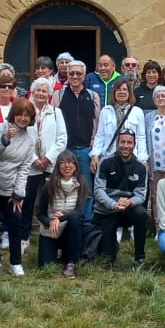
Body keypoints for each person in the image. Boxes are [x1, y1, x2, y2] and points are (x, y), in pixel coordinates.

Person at [0, 98, 36, 276]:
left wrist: (18, 193)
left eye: (27, 115)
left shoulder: (29, 140)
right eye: (20, 114)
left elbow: (24, 168)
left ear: (31, 118)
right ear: (13, 115)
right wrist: (5, 139)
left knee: (15, 224)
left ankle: (15, 262)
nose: (23, 118)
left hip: (10, 189)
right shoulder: (0, 128)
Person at [93, 129, 150, 267]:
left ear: (134, 145)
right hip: (107, 211)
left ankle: (139, 257)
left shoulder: (141, 167)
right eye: (122, 142)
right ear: (117, 143)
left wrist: (129, 202)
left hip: (127, 209)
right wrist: (113, 204)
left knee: (141, 214)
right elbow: (98, 190)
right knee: (107, 260)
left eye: (129, 142)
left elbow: (141, 195)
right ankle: (111, 248)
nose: (125, 146)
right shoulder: (105, 162)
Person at [24, 77, 67, 246]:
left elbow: (62, 138)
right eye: (38, 90)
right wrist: (35, 159)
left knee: (50, 199)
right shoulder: (26, 112)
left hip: (50, 164)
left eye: (44, 91)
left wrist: (48, 158)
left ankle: (50, 233)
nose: (41, 93)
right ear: (33, 92)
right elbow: (22, 138)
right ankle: (24, 236)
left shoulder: (56, 112)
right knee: (28, 200)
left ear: (49, 94)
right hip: (31, 165)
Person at [57, 62, 101, 220]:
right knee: (64, 188)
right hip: (65, 150)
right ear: (67, 75)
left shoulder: (93, 96)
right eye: (71, 73)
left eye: (78, 73)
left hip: (85, 150)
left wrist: (93, 149)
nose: (75, 76)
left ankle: (86, 222)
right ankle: (64, 221)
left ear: (84, 76)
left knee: (86, 189)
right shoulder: (58, 95)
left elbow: (97, 124)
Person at [35, 150, 87, 276]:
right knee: (45, 266)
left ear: (75, 166)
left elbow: (80, 212)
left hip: (69, 230)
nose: (67, 166)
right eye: (63, 162)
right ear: (58, 166)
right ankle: (57, 253)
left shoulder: (82, 183)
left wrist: (60, 218)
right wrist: (51, 221)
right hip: (51, 230)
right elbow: (40, 214)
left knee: (75, 219)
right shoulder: (49, 185)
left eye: (70, 162)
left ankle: (71, 262)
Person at [93, 79, 148, 179]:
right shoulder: (106, 111)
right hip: (110, 156)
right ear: (114, 93)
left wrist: (142, 159)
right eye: (118, 90)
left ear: (129, 93)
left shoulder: (137, 111)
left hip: (131, 157)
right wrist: (95, 154)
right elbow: (100, 135)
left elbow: (141, 137)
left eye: (124, 89)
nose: (121, 92)